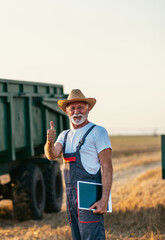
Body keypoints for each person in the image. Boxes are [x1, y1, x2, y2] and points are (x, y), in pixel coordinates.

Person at [44, 89, 113, 240]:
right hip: (70, 197)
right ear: (67, 112)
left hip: (89, 195)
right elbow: (52, 155)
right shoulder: (65, 135)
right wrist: (49, 142)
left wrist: (104, 199)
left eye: (80, 107)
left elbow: (107, 167)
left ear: (88, 109)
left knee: (92, 236)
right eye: (72, 108)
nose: (76, 112)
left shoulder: (98, 132)